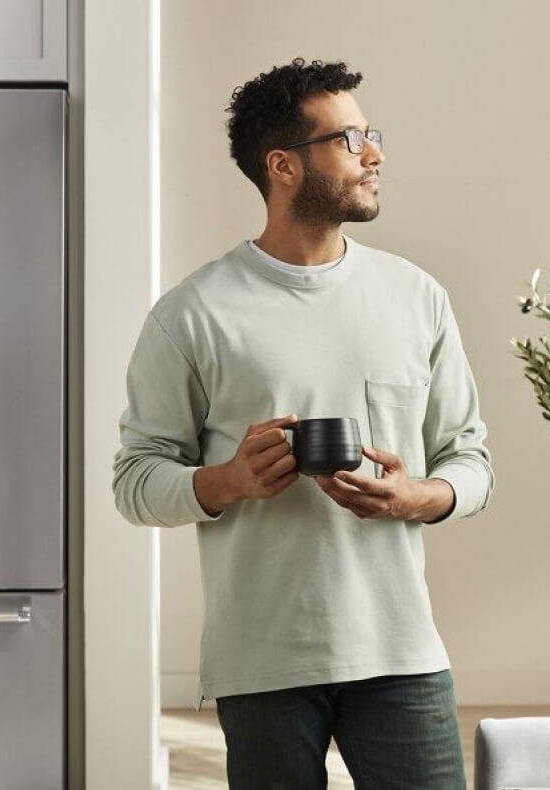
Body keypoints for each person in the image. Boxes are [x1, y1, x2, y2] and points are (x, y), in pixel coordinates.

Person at [112, 57, 492, 789]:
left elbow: (469, 456)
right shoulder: (192, 315)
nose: (375, 154)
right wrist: (226, 480)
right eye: (351, 139)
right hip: (262, 660)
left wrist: (425, 497)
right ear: (283, 165)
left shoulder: (416, 297)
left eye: (370, 135)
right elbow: (135, 479)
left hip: (401, 650)